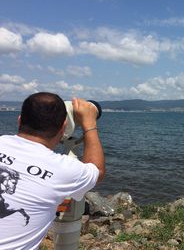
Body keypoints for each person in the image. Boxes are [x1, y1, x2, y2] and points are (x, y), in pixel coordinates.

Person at [0, 92, 105, 249]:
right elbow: (97, 170)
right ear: (63, 128)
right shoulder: (65, 171)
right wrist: (89, 124)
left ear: (20, 120)